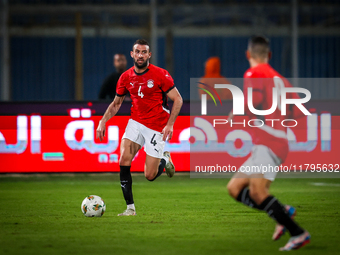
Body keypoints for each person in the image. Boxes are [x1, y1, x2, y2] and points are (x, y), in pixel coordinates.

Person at [226, 36, 310, 251]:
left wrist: (237, 111)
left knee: (257, 192)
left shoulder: (254, 73)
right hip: (275, 142)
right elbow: (297, 113)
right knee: (234, 188)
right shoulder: (281, 79)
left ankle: (298, 233)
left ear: (248, 54)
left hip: (268, 142)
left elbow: (253, 101)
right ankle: (283, 211)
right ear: (269, 55)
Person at [96, 39, 183, 216]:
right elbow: (116, 103)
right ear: (132, 54)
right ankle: (130, 209)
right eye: (138, 52)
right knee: (123, 160)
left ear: (149, 55)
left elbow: (178, 99)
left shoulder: (161, 75)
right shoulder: (126, 77)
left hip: (156, 126)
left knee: (149, 176)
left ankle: (165, 160)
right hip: (135, 123)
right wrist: (102, 122)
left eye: (144, 52)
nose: (141, 55)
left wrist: (170, 124)